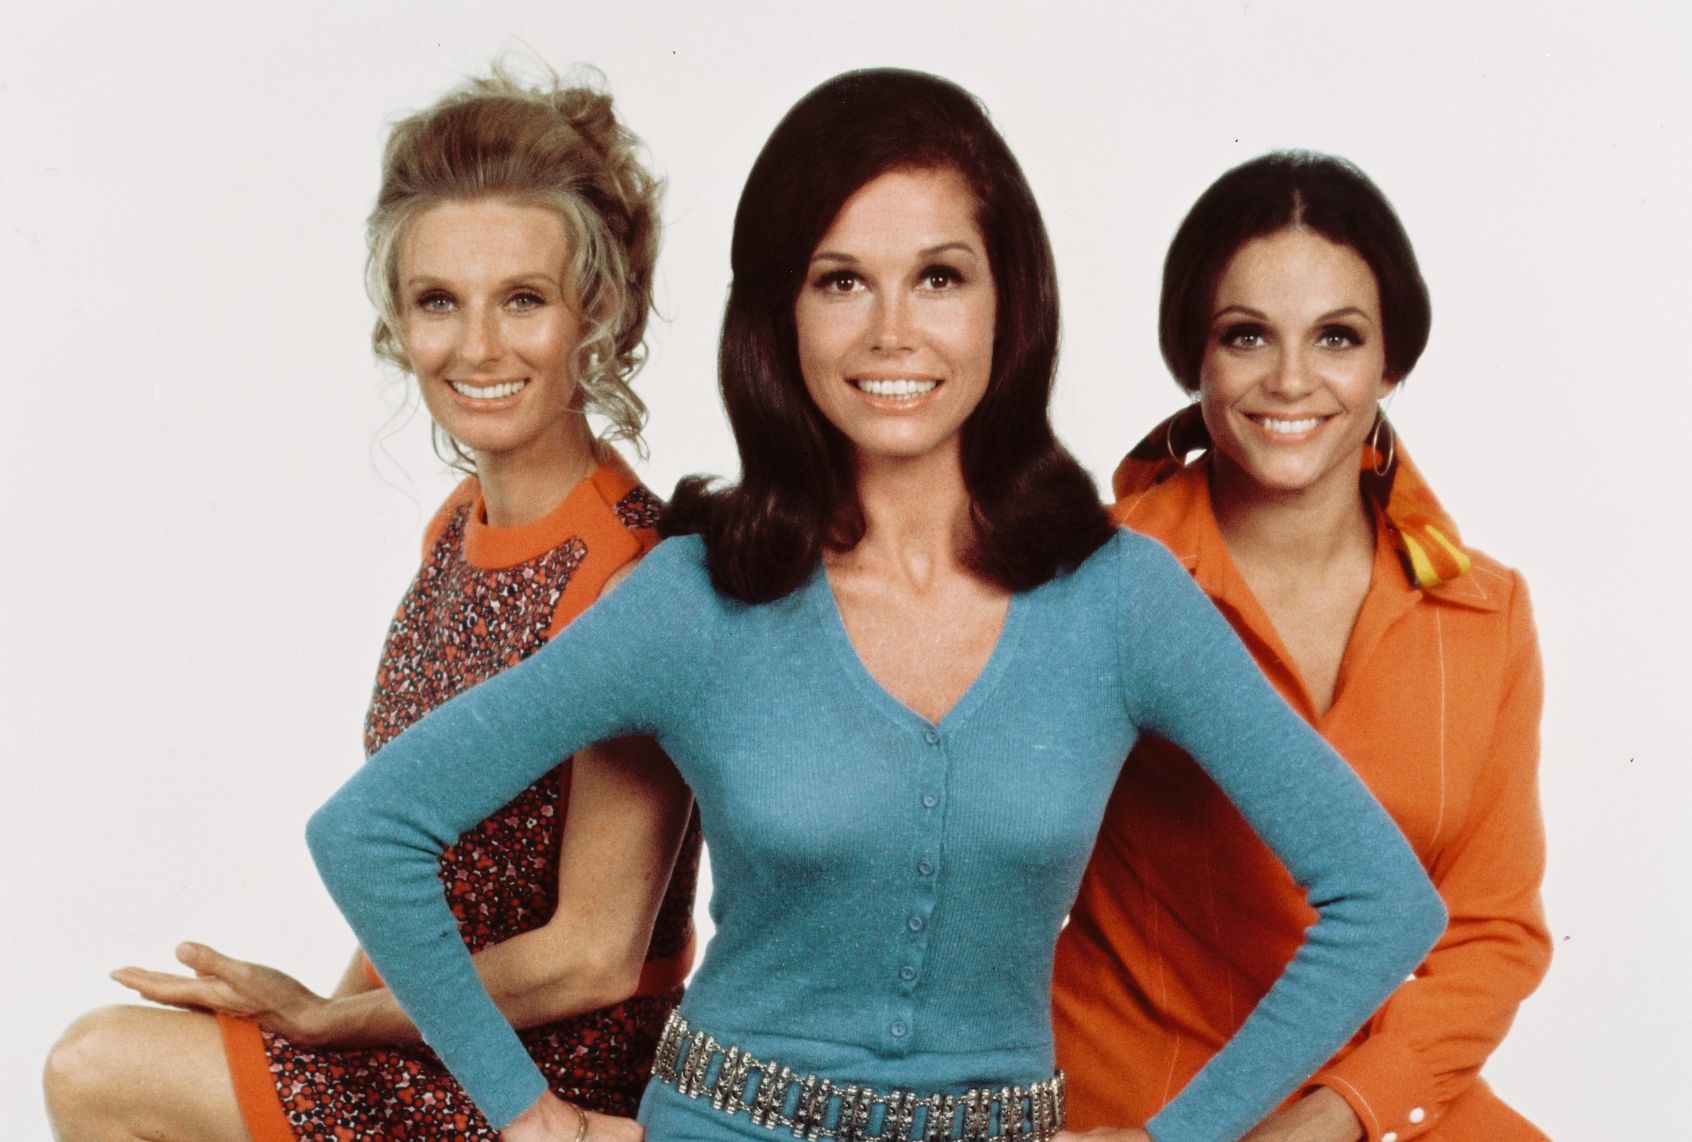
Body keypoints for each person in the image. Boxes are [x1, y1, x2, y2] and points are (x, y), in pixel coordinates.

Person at [304, 70, 1446, 1142]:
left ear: (1011, 303)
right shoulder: (697, 599)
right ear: (781, 316)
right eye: (841, 279)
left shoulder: (1121, 599)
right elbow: (370, 830)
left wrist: (1180, 1136)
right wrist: (523, 1110)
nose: (891, 330)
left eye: (939, 277)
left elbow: (1384, 902)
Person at [42, 67, 701, 1141]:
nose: (477, 346)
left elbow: (597, 953)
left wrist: (337, 1021)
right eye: (440, 300)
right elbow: (412, 870)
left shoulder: (631, 566)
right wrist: (316, 1015)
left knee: (100, 1064)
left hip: (554, 1087)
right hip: (432, 1039)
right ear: (400, 320)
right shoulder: (455, 529)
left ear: (598, 313)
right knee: (119, 1061)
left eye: (522, 299)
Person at [1051, 152, 1550, 1141]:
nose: (1290, 379)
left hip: (1362, 1097)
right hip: (1131, 1097)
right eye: (1247, 335)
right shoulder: (1087, 575)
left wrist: (1338, 1116)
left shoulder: (1483, 611)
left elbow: (1492, 935)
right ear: (1195, 355)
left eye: (1336, 336)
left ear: (1389, 360)